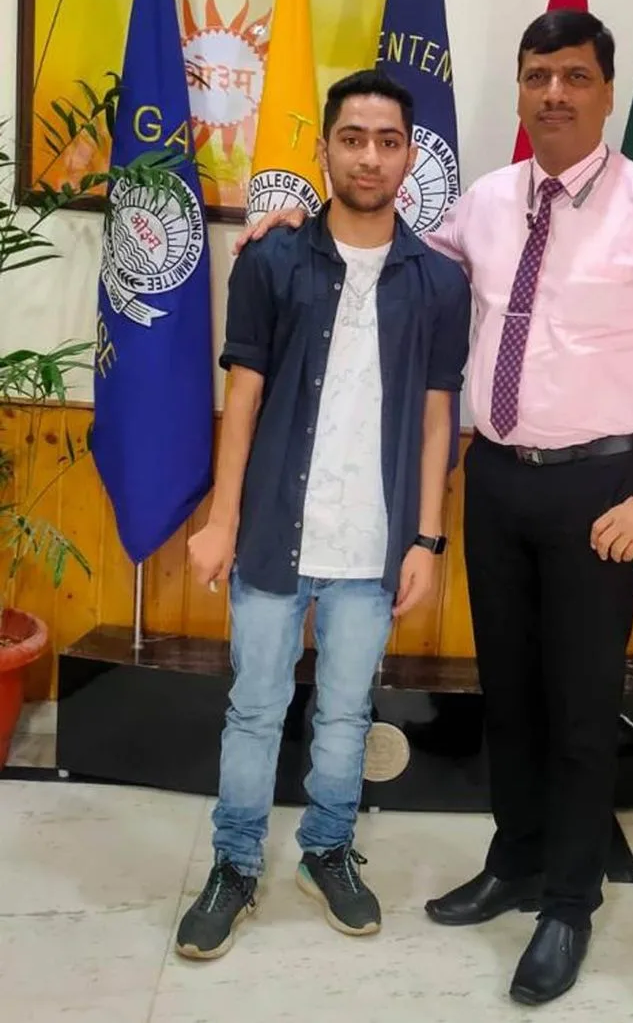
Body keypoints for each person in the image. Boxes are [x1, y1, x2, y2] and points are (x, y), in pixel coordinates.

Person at [233, 11, 633, 1004]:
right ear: (518, 90)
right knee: (508, 691)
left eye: (574, 76)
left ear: (605, 91)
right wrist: (295, 222)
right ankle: (513, 863)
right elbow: (390, 254)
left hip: (604, 488)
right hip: (499, 479)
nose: (554, 92)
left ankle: (569, 902)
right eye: (537, 75)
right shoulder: (485, 204)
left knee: (579, 705)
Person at [176, 69, 471, 960]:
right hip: (274, 530)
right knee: (255, 710)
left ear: (408, 156)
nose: (369, 156)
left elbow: (436, 419)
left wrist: (425, 538)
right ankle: (234, 865)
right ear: (324, 149)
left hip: (373, 547)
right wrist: (222, 519)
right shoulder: (273, 260)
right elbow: (244, 399)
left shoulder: (439, 282)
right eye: (353, 138)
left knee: (345, 716)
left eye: (388, 141)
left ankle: (327, 850)